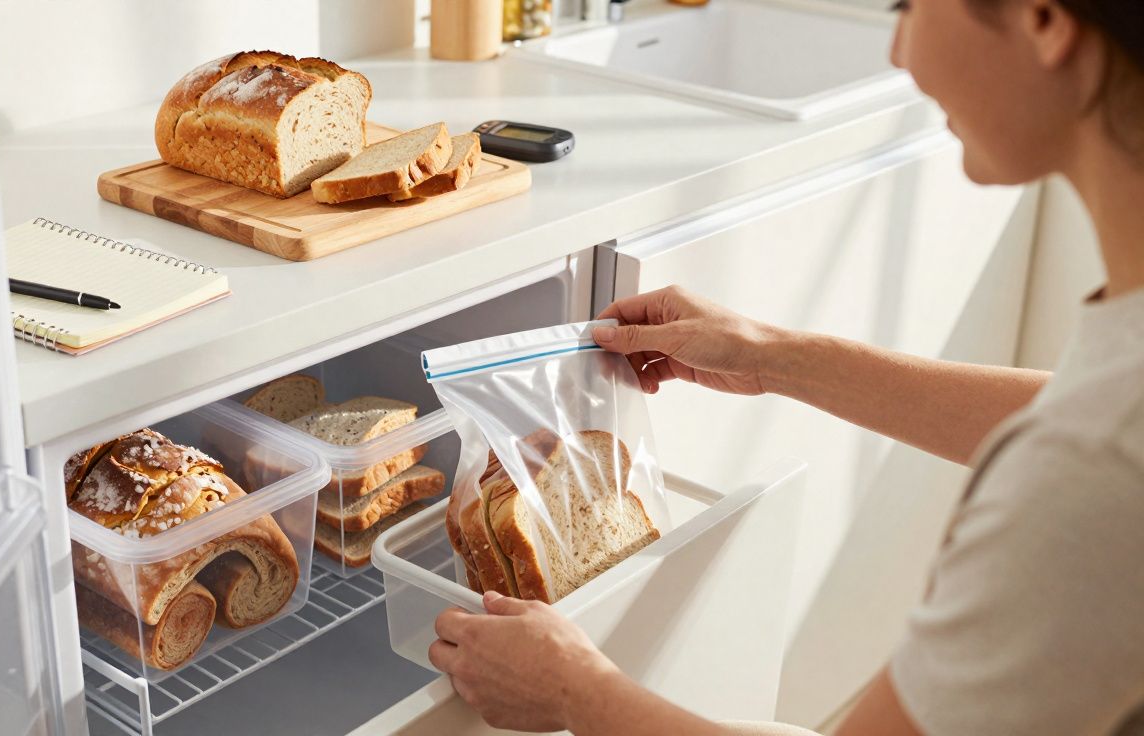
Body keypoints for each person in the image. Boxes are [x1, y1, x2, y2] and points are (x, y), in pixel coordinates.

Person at [427, 0, 1144, 732]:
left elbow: (1085, 450)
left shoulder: (1085, 474)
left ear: (1045, 21)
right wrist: (773, 359)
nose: (898, 50)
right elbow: (1071, 411)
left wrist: (578, 695)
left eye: (909, 5)